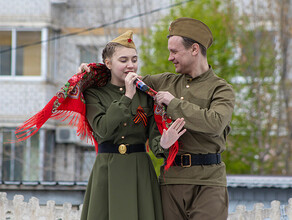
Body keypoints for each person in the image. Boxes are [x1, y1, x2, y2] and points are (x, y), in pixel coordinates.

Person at [79, 18, 235, 220]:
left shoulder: (221, 89)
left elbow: (215, 123)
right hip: (171, 181)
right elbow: (123, 77)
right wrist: (90, 72)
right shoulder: (162, 82)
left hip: (208, 181)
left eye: (175, 51)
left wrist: (174, 104)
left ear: (194, 49)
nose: (170, 58)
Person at [80, 30, 186, 220]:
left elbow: (154, 140)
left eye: (134, 60)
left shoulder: (146, 94)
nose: (131, 65)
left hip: (139, 170)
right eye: (123, 60)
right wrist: (127, 96)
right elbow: (102, 130)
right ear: (108, 63)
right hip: (107, 169)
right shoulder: (94, 94)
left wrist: (164, 143)